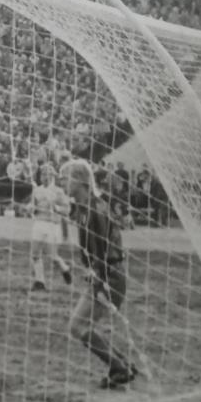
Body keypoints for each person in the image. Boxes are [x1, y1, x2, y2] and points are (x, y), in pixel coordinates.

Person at [61, 158, 138, 388]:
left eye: (65, 178)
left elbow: (105, 250)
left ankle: (119, 368)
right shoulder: (86, 209)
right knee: (81, 326)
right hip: (106, 275)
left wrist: (97, 276)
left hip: (109, 277)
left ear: (80, 181)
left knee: (77, 326)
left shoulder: (96, 210)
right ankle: (123, 364)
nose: (61, 182)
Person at [27, 163, 73, 292]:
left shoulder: (59, 191)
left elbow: (67, 210)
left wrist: (56, 208)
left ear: (53, 176)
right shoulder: (37, 190)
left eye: (47, 174)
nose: (44, 176)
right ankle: (39, 281)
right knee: (35, 254)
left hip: (52, 225)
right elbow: (33, 206)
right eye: (42, 174)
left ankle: (65, 269)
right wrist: (31, 208)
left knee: (52, 256)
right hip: (39, 224)